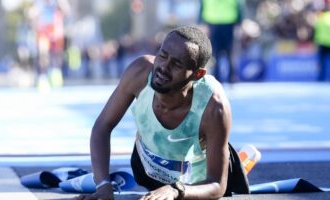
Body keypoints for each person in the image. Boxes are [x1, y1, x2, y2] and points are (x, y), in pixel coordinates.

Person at [76, 26, 249, 200]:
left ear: (197, 74)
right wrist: (103, 186)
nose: (163, 67)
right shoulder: (139, 73)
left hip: (196, 185)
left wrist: (176, 190)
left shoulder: (214, 107)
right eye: (163, 55)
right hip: (146, 171)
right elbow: (102, 126)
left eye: (177, 64)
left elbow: (217, 185)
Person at [199, 0, 243, 83]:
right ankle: (227, 79)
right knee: (222, 53)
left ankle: (225, 78)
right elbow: (239, 6)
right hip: (222, 22)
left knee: (223, 53)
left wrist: (201, 21)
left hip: (220, 22)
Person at [314, 1, 330, 81]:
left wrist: (316, 42)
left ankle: (320, 80)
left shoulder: (321, 18)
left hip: (322, 44)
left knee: (321, 63)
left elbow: (317, 31)